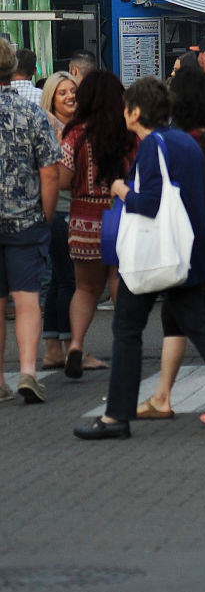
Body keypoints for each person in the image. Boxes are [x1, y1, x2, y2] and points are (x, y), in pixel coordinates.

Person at [73, 76, 205, 439]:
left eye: (127, 108)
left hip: (155, 256)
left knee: (127, 329)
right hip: (187, 253)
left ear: (136, 112)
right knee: (201, 327)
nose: (123, 113)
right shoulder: (184, 141)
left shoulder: (152, 146)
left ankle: (116, 417)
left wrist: (121, 189)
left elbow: (149, 203)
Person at [135, 63, 205, 421]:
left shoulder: (191, 141)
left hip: (200, 239)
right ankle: (163, 395)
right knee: (193, 316)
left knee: (201, 318)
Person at [60, 69, 134, 379]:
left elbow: (63, 178)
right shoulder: (128, 133)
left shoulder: (75, 134)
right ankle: (125, 347)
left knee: (85, 289)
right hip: (120, 216)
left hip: (83, 219)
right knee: (120, 281)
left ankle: (76, 345)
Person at [0, 38, 61, 403]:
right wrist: (45, 217)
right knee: (27, 300)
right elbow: (50, 173)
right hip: (25, 222)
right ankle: (27, 373)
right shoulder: (32, 113)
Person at [38, 72, 90, 373]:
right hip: (61, 210)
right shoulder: (52, 129)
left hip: (64, 211)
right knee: (70, 280)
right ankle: (72, 349)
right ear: (51, 99)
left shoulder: (76, 127)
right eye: (62, 92)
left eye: (72, 91)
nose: (70, 96)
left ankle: (53, 349)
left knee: (59, 280)